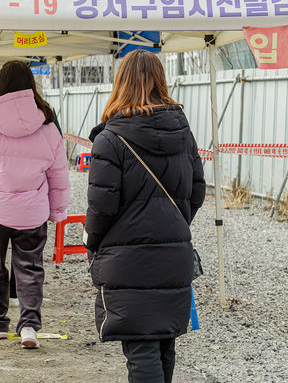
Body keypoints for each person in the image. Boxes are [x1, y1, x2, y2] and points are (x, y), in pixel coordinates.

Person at [84, 49, 206, 382]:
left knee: (141, 348)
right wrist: (173, 225)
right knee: (164, 343)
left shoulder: (110, 139)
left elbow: (101, 207)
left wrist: (93, 243)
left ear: (121, 83)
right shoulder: (183, 134)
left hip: (128, 259)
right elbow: (197, 192)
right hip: (174, 254)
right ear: (160, 81)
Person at [0, 60, 69, 349]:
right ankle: (30, 326)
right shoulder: (47, 120)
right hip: (34, 210)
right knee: (31, 268)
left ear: (1, 84)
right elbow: (58, 171)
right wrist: (57, 210)